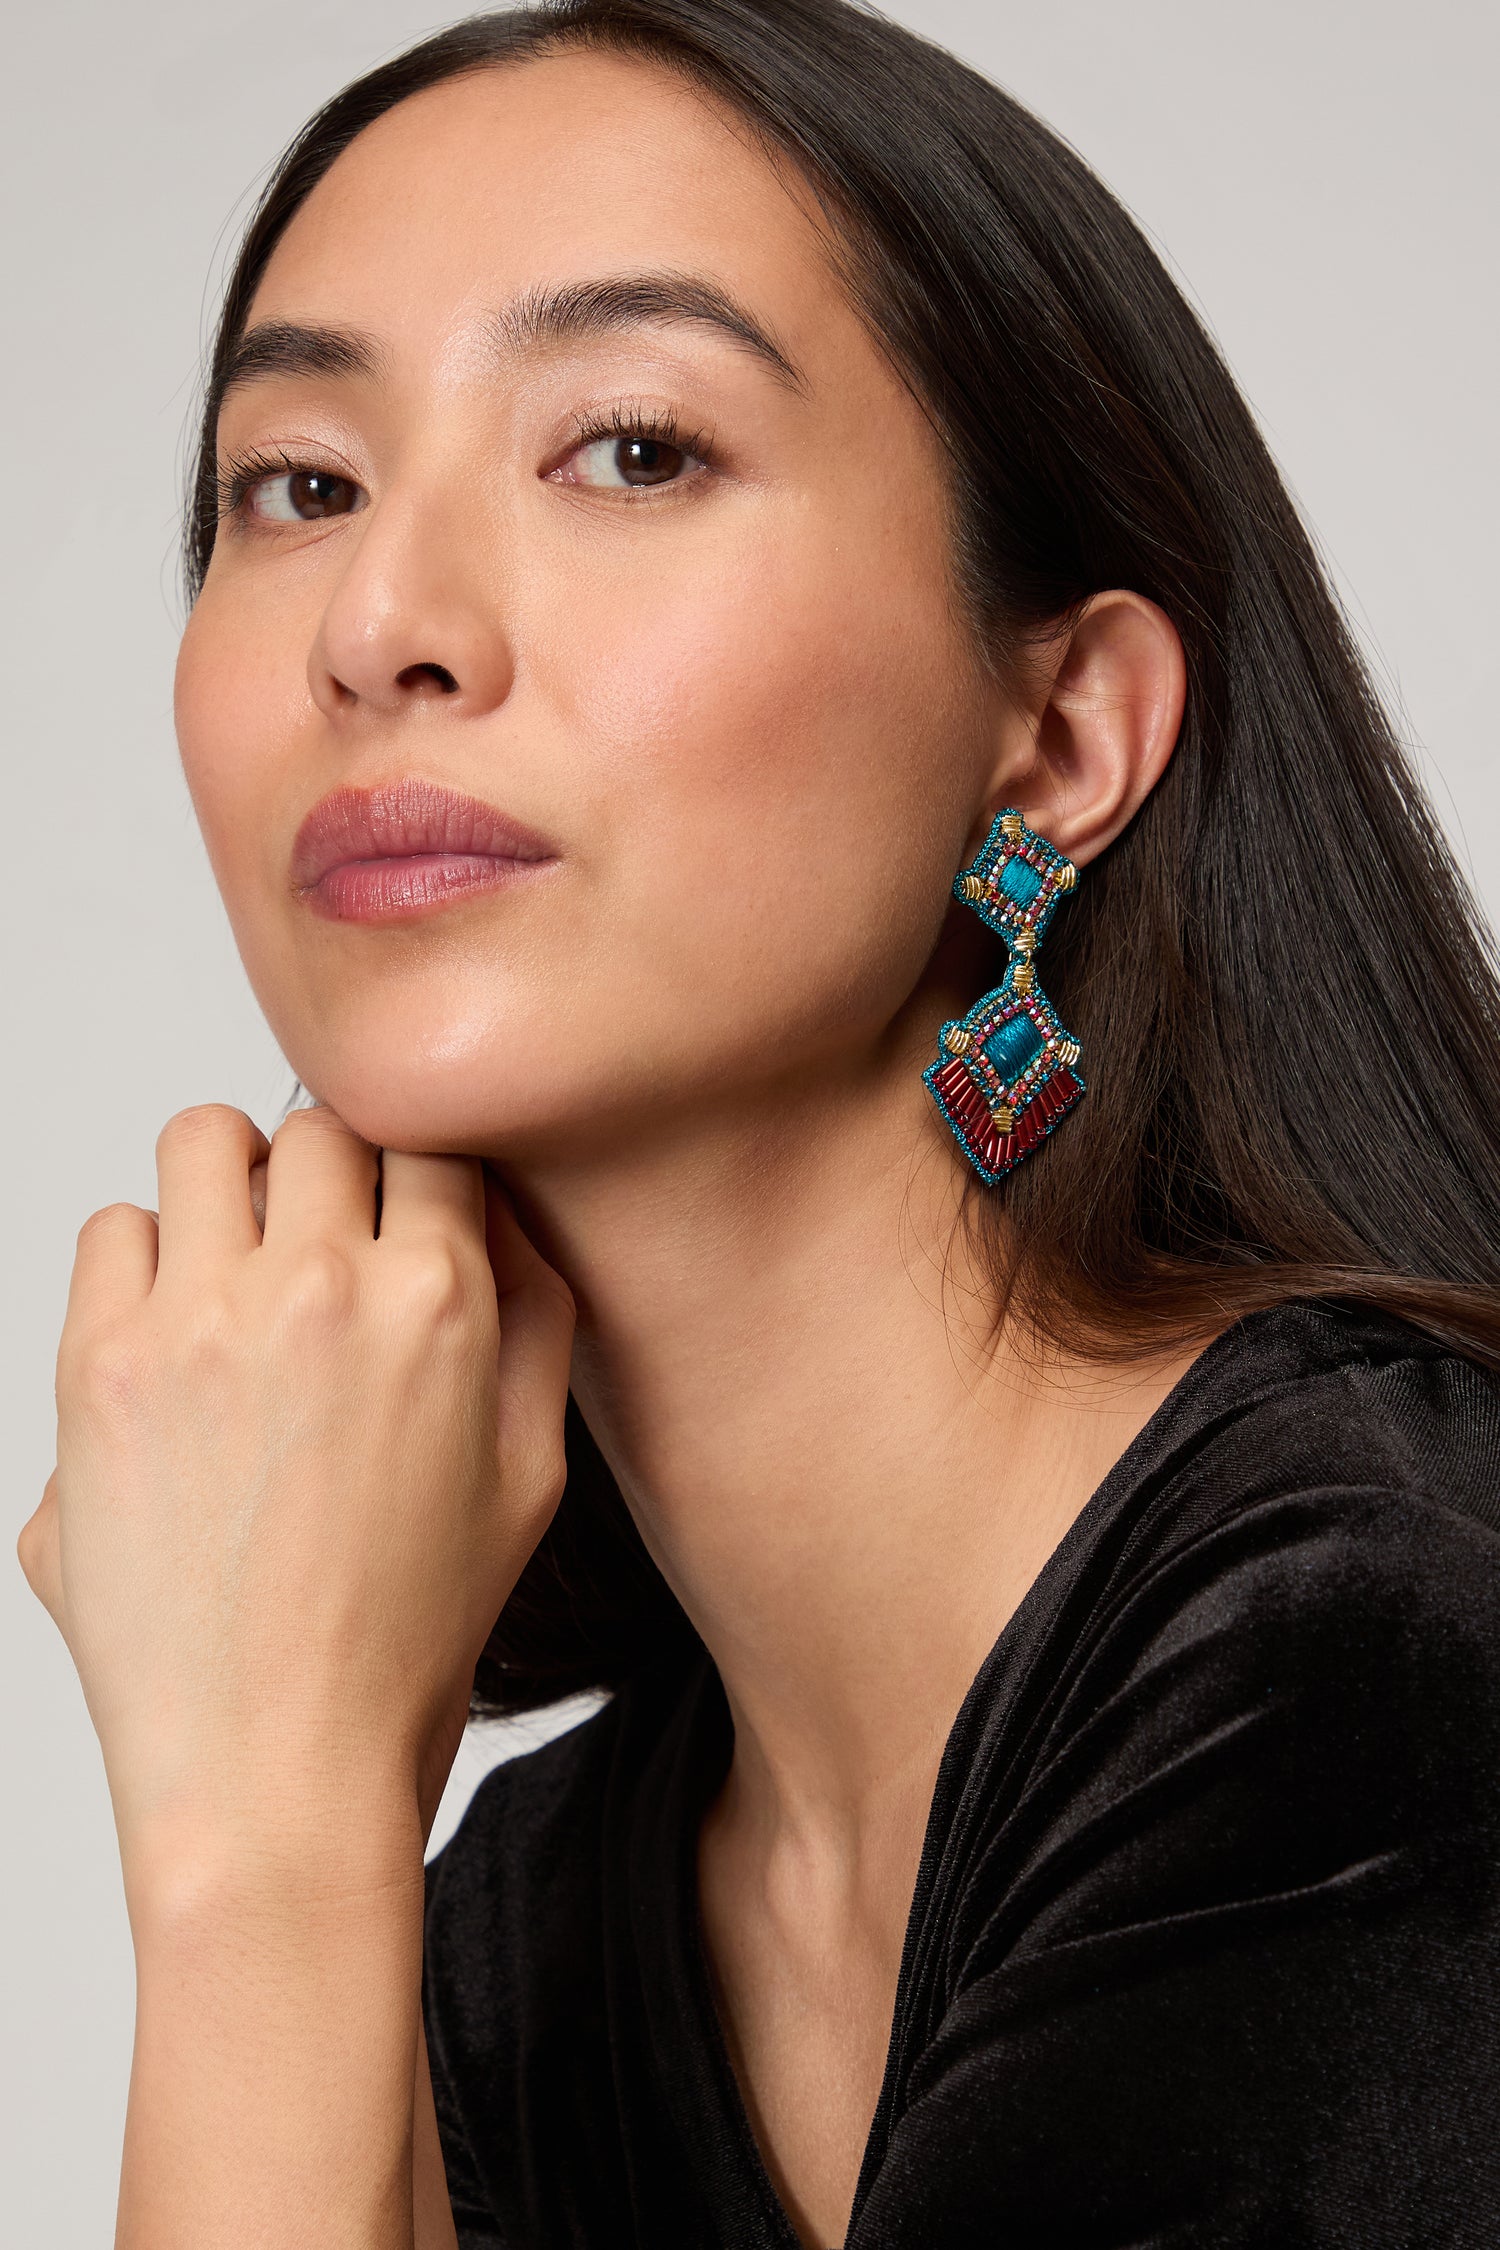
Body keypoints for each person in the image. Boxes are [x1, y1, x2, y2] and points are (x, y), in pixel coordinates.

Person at [18, 0, 1500, 2243]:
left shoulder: (1380, 1671)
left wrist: (265, 1846)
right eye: (297, 485)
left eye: (629, 450)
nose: (380, 625)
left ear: (1063, 731)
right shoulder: (538, 1937)